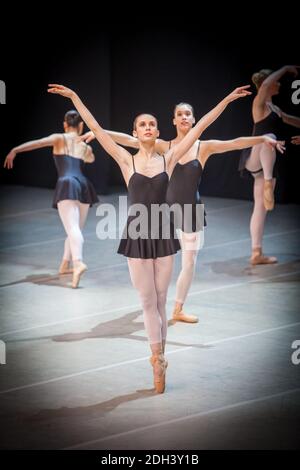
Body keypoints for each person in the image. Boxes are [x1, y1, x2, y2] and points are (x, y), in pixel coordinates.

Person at [48, 82, 251, 393]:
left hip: (163, 230)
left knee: (160, 300)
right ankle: (155, 358)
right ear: (136, 132)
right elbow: (98, 129)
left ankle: (160, 358)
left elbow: (204, 124)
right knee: (146, 301)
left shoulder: (169, 157)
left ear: (157, 132)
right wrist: (75, 96)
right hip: (138, 231)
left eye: (152, 124)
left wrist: (226, 99)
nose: (147, 127)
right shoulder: (125, 159)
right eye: (142, 124)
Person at [80, 104, 284, 324]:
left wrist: (261, 139)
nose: (184, 117)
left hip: (190, 210)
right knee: (156, 259)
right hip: (164, 209)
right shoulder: (163, 146)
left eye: (188, 114)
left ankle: (178, 308)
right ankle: (153, 302)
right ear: (174, 121)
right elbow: (131, 140)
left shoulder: (203, 147)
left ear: (194, 119)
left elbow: (234, 143)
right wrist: (100, 132)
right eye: (180, 114)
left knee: (189, 261)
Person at [4, 110, 98, 288]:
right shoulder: (86, 146)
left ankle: (77, 263)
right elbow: (91, 159)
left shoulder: (59, 138)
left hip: (67, 183)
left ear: (65, 124)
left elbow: (37, 143)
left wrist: (15, 150)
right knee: (75, 229)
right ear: (81, 126)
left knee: (72, 229)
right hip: (83, 186)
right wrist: (85, 146)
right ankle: (65, 264)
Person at [238, 65, 300, 265]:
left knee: (260, 208)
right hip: (254, 157)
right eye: (277, 81)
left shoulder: (275, 109)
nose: (279, 84)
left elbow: (294, 121)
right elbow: (264, 84)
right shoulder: (259, 103)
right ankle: (267, 182)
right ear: (270, 83)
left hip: (266, 162)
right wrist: (286, 68)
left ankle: (256, 253)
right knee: (269, 137)